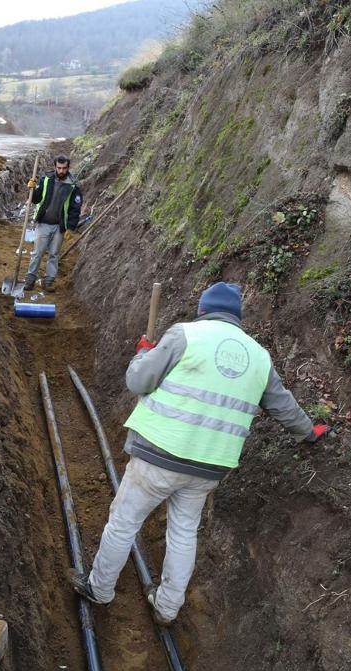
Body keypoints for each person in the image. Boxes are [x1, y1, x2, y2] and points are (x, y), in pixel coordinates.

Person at [68, 282, 330, 625]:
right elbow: (284, 406)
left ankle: (99, 590)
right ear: (237, 317)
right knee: (183, 532)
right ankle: (166, 607)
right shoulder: (259, 357)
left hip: (159, 454)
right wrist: (309, 432)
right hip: (209, 467)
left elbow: (138, 382)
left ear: (203, 309)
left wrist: (144, 353)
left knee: (124, 522)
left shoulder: (185, 335)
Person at [24, 154, 83, 291]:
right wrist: (32, 189)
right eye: (59, 168)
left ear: (68, 168)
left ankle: (49, 281)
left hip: (59, 226)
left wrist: (71, 228)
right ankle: (30, 280)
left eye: (64, 168)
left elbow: (75, 209)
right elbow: (37, 199)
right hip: (43, 222)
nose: (61, 171)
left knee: (54, 254)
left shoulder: (73, 187)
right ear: (55, 167)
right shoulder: (46, 180)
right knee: (37, 252)